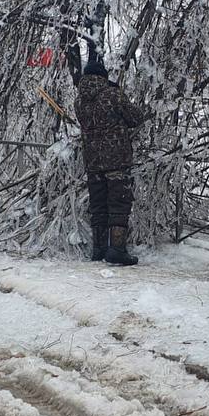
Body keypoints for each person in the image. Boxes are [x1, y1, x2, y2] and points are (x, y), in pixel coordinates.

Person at [74, 55, 145, 266]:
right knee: (119, 204)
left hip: (93, 161)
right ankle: (117, 249)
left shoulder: (79, 100)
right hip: (117, 160)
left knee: (98, 205)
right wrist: (119, 94)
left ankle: (98, 249)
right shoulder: (113, 95)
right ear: (104, 77)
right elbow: (135, 118)